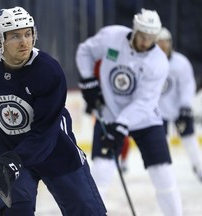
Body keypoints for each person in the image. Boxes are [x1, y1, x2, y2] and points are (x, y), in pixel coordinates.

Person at [0, 6, 107, 216]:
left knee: (87, 212)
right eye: (15, 36)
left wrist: (9, 164)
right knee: (16, 212)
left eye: (28, 33)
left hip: (56, 150)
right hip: (10, 148)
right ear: (0, 39)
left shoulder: (48, 72)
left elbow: (45, 135)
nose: (25, 42)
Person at [76, 8, 183, 215]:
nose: (146, 42)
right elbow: (85, 51)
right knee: (100, 174)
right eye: (143, 36)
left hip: (146, 120)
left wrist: (122, 124)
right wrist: (88, 80)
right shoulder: (112, 37)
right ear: (135, 30)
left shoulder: (158, 62)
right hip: (108, 114)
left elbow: (145, 102)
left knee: (164, 175)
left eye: (152, 37)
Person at [157, 27, 202, 181]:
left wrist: (185, 106)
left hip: (178, 110)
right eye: (159, 42)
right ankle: (165, 175)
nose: (163, 46)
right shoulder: (148, 62)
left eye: (165, 42)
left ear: (170, 43)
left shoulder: (180, 63)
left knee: (189, 139)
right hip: (157, 112)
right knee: (161, 144)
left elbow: (188, 85)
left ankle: (199, 167)